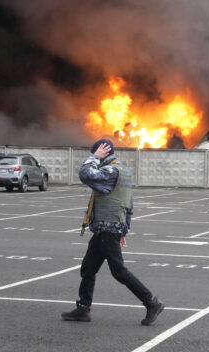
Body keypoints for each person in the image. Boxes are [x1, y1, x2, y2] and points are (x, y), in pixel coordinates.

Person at [61, 138, 164, 325]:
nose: (96, 158)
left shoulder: (110, 171)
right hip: (106, 230)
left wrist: (94, 157)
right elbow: (128, 206)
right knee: (88, 268)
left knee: (119, 271)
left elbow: (85, 174)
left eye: (98, 153)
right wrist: (124, 230)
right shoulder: (122, 172)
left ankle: (151, 302)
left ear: (104, 152)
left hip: (107, 231)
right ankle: (83, 309)